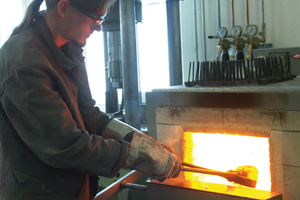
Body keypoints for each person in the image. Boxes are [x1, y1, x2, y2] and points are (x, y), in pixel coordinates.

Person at [0, 0, 181, 199]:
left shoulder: (67, 47)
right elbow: (66, 145)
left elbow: (89, 115)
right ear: (64, 8)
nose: (98, 27)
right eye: (94, 19)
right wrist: (135, 155)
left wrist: (139, 141)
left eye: (101, 18)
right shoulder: (25, 63)